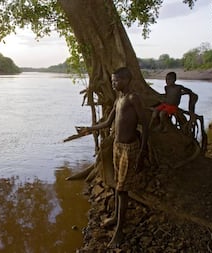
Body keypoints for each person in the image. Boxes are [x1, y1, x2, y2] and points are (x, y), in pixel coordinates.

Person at [76, 67, 148, 248]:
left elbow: (145, 126)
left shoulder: (133, 98)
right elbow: (108, 123)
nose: (113, 84)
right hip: (117, 146)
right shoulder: (119, 99)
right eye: (112, 81)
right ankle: (116, 216)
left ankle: (119, 231)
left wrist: (142, 152)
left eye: (116, 81)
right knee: (118, 184)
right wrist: (88, 129)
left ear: (126, 80)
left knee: (123, 190)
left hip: (129, 149)